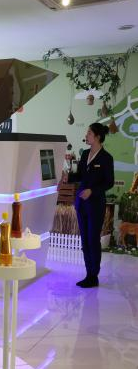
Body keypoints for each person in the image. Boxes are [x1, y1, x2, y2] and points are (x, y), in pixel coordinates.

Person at [64, 123, 114, 288]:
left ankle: (94, 275)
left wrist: (92, 191)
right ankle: (88, 274)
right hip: (82, 203)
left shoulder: (106, 158)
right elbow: (80, 175)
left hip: (96, 204)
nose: (86, 135)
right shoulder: (85, 154)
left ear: (97, 137)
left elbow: (109, 182)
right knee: (85, 239)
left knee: (93, 239)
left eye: (89, 133)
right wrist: (69, 178)